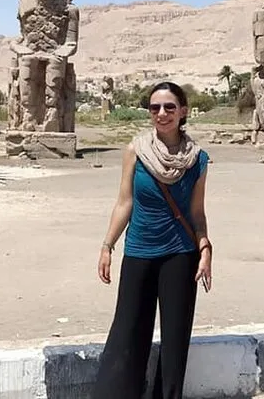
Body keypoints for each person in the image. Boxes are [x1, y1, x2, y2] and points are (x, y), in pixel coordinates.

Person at [92, 81, 212, 399]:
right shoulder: (135, 151)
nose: (162, 113)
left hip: (180, 254)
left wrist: (205, 248)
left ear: (183, 111)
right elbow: (124, 203)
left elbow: (197, 213)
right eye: (155, 107)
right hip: (139, 252)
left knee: (175, 339)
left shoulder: (198, 159)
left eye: (169, 107)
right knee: (128, 333)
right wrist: (107, 246)